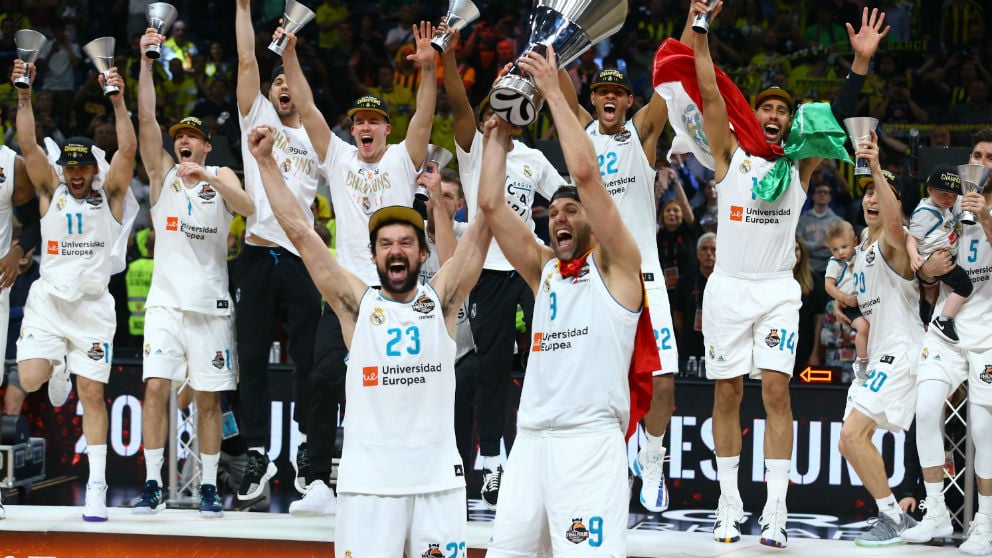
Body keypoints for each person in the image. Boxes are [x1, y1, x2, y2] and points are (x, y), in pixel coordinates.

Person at [678, 1, 889, 548]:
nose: (771, 115)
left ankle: (775, 509)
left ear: (791, 123)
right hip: (727, 286)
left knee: (776, 392)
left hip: (776, 291)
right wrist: (701, 32)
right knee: (726, 394)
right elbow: (706, 91)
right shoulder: (729, 154)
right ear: (753, 113)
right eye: (764, 107)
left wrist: (859, 65)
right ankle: (728, 504)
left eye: (781, 111)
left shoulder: (798, 164)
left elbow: (841, 113)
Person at [247, 122, 491, 557]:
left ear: (421, 252)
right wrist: (265, 162)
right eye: (385, 244)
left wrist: (498, 145)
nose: (395, 250)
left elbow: (487, 218)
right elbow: (301, 232)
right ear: (374, 254)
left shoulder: (444, 301)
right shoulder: (355, 306)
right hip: (368, 483)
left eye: (405, 242)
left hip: (436, 481)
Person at [479, 45, 651, 557]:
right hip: (530, 440)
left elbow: (588, 174)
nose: (558, 218)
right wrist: (498, 133)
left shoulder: (620, 265)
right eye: (552, 212)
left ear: (593, 221)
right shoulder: (544, 270)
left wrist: (554, 92)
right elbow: (489, 205)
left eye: (570, 210)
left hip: (588, 442)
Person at [275, 20, 437, 515]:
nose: (365, 127)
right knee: (324, 380)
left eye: (374, 122)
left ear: (387, 129)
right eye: (358, 121)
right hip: (343, 293)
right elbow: (304, 104)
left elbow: (426, 119)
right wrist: (288, 54)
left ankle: (399, 473)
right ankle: (320, 481)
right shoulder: (339, 157)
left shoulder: (403, 161)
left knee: (393, 387)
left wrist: (429, 69)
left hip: (396, 296)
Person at [439, 23, 566, 510]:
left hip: (532, 270)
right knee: (490, 372)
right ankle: (491, 464)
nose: (500, 110)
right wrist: (448, 59)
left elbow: (565, 199)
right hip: (487, 273)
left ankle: (539, 461)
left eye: (510, 101)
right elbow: (457, 105)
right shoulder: (474, 153)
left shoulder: (533, 158)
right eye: (495, 100)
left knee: (545, 362)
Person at [131, 28, 255, 518]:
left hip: (212, 306)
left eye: (193, 137)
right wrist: (145, 62)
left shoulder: (221, 176)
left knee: (208, 400)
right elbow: (145, 118)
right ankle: (151, 484)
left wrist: (208, 177)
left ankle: (207, 486)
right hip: (165, 304)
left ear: (206, 147)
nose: (184, 140)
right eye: (179, 135)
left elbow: (247, 208)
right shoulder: (161, 175)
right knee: (156, 388)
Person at [12, 59, 136, 522]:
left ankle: (98, 488)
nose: (77, 173)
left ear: (94, 170)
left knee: (91, 395)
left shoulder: (114, 194)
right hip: (49, 302)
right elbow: (27, 142)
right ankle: (57, 362)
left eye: (84, 166)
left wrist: (118, 102)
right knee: (28, 381)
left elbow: (128, 148)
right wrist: (25, 96)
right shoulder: (51, 190)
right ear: (63, 170)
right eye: (71, 166)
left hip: (92, 310)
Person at [233, 0, 322, 503]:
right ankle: (258, 453)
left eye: (290, 83)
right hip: (256, 253)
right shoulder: (258, 113)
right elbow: (248, 60)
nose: (282, 88)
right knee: (251, 358)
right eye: (276, 83)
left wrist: (291, 57)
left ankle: (309, 449)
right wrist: (244, 7)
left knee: (311, 359)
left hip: (302, 257)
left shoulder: (314, 132)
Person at [900, 128, 992, 554]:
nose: (981, 161)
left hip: (988, 335)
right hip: (945, 327)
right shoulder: (948, 207)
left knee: (983, 429)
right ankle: (935, 511)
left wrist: (986, 218)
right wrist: (928, 268)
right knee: (925, 407)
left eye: (990, 157)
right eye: (976, 154)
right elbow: (923, 274)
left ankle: (985, 524)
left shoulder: (980, 210)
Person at [837, 131, 923, 546]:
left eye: (882, 192)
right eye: (868, 191)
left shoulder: (895, 238)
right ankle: (891, 515)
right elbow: (863, 299)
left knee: (854, 434)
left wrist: (873, 163)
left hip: (903, 351)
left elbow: (892, 221)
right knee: (848, 442)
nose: (872, 198)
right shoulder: (864, 246)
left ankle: (893, 518)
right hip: (880, 355)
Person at [906, 165, 973, 343]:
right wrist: (914, 256)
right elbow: (911, 239)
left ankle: (932, 318)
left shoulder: (942, 208)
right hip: (937, 259)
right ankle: (944, 320)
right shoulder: (924, 214)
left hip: (943, 256)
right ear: (929, 189)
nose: (948, 199)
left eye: (953, 195)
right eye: (943, 193)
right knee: (965, 286)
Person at [824, 219, 871, 379]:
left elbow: (868, 232)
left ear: (854, 241)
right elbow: (828, 286)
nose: (840, 253)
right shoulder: (834, 263)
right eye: (834, 249)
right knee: (863, 329)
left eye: (844, 247)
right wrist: (843, 298)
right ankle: (862, 361)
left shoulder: (861, 252)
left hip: (867, 300)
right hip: (850, 304)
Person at [672, 233, 716, 365]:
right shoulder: (685, 280)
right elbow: (677, 314)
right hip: (690, 342)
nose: (709, 253)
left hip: (718, 342)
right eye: (704, 249)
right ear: (697, 254)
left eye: (714, 249)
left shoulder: (727, 282)